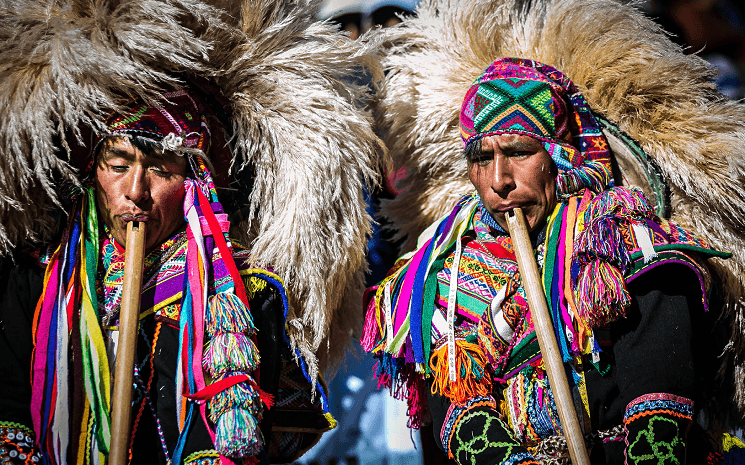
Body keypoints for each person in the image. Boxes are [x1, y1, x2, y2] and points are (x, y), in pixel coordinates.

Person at [362, 1, 745, 463]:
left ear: (559, 155)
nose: (499, 179)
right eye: (482, 159)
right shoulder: (448, 271)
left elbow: (658, 406)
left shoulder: (628, 246)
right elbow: (458, 413)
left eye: (519, 151)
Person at [0, 0, 383, 463]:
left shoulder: (246, 293)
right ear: (91, 174)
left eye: (160, 169)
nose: (136, 191)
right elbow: (10, 409)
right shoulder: (39, 282)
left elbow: (284, 433)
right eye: (118, 165)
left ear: (195, 182)